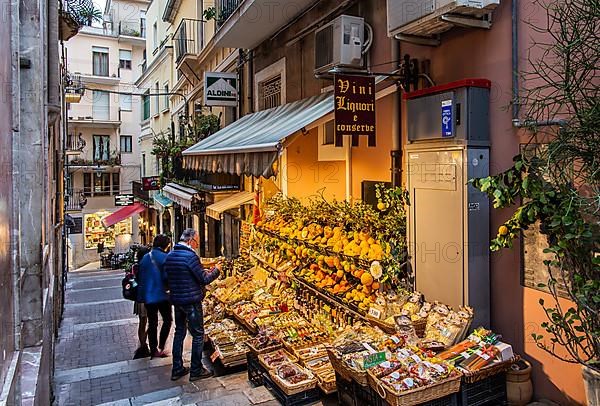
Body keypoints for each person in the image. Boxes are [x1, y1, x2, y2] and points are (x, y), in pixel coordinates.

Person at [164, 228, 221, 382]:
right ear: (190, 241)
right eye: (197, 241)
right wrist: (217, 270)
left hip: (177, 301)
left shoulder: (170, 256)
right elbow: (204, 279)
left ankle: (177, 368)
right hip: (191, 301)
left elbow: (167, 278)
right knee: (198, 335)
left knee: (179, 333)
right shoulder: (190, 257)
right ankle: (196, 370)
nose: (197, 244)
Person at [137, 235, 172, 359]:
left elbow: (140, 277)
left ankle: (153, 350)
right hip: (161, 295)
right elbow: (167, 277)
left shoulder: (145, 258)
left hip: (148, 296)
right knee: (167, 320)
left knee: (152, 323)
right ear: (165, 245)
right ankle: (161, 346)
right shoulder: (165, 258)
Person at [132, 246, 150, 359]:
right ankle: (144, 345)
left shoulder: (136, 267)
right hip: (147, 297)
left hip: (139, 298)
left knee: (142, 323)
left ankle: (143, 345)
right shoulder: (147, 267)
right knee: (151, 322)